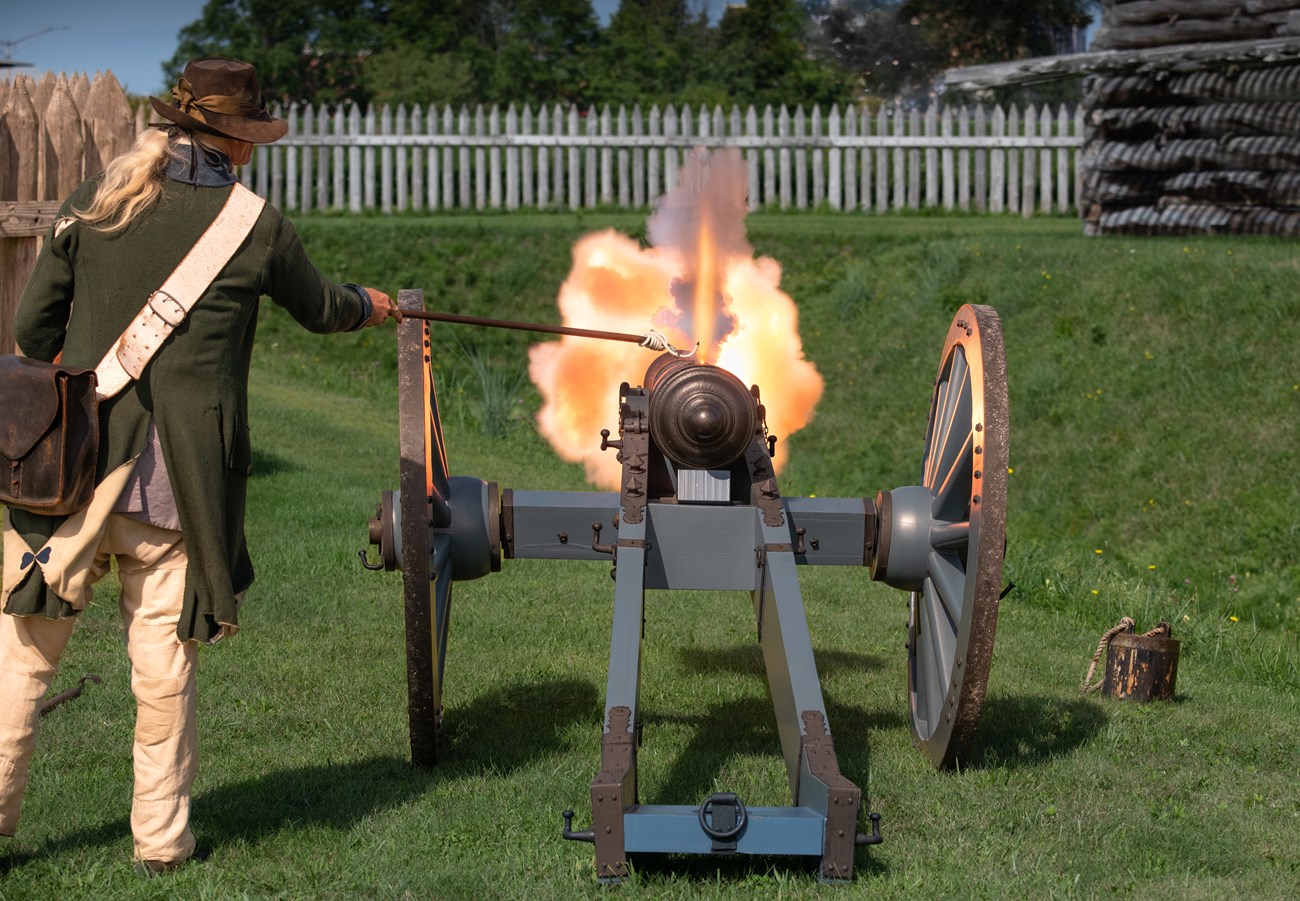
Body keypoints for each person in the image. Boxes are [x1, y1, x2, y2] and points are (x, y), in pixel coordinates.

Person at [0, 57, 401, 872]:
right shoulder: (256, 224)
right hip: (178, 484)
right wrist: (373, 305)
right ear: (239, 141)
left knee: (20, 662)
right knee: (162, 670)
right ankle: (161, 843)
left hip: (67, 475)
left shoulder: (93, 201)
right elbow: (323, 309)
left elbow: (34, 332)